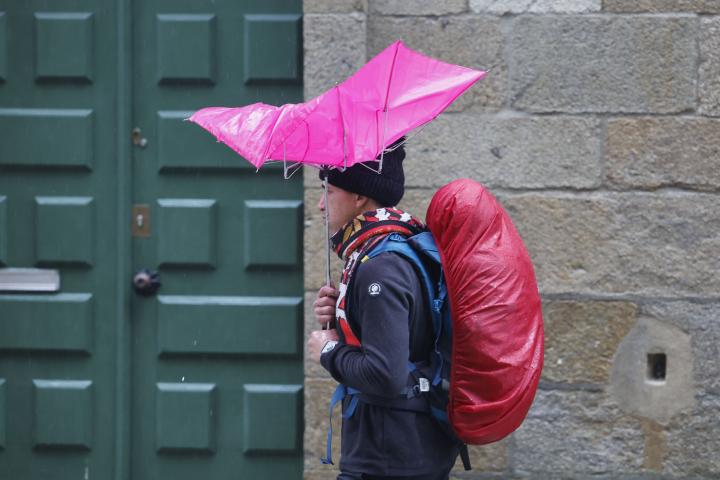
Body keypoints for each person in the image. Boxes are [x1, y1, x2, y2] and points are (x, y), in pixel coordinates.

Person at [307, 141, 460, 480]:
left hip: (389, 459)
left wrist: (328, 350)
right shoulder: (401, 244)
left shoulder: (380, 266)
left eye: (328, 191)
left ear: (360, 196)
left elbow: (385, 375)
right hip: (407, 451)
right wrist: (342, 318)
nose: (320, 205)